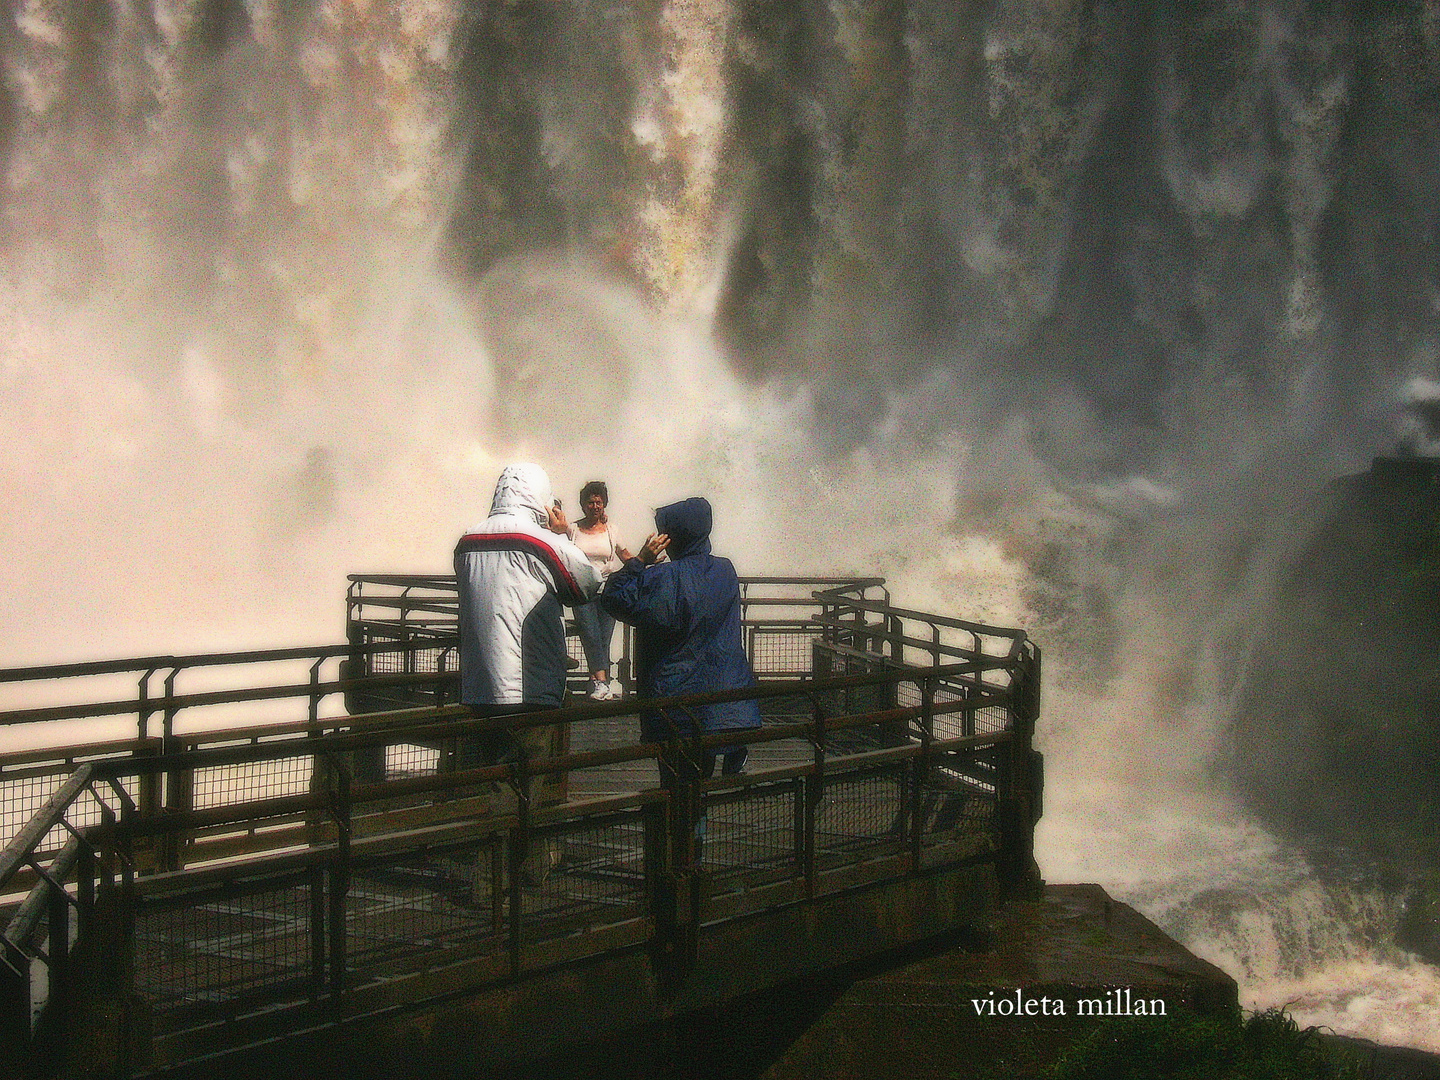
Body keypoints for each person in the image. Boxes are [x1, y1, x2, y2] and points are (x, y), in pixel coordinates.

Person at [454, 462, 603, 772]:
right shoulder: (541, 542)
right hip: (530, 684)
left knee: (491, 774)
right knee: (526, 780)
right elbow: (586, 584)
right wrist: (562, 535)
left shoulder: (466, 542)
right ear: (539, 498)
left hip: (479, 684)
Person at [600, 497, 761, 780]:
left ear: (670, 537)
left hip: (677, 707)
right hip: (725, 705)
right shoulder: (726, 570)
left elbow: (614, 600)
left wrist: (640, 562)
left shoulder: (664, 578)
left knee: (677, 791)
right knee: (698, 789)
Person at [567, 480, 632, 700]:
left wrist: (646, 562)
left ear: (604, 504)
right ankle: (603, 681)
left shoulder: (611, 530)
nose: (595, 506)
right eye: (591, 502)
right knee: (590, 634)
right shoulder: (573, 530)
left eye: (599, 502)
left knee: (604, 637)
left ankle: (597, 682)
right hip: (582, 591)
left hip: (607, 590)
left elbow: (624, 555)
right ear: (583, 505)